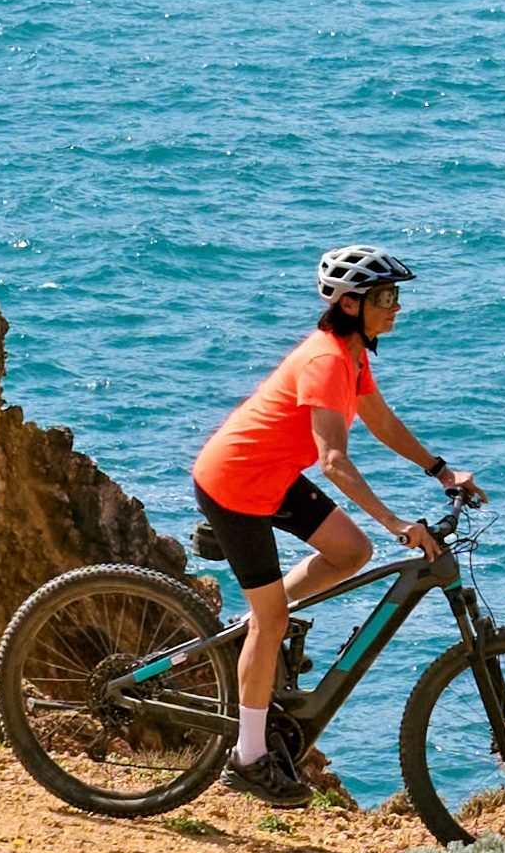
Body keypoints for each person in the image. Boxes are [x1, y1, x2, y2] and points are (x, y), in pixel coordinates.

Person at [188, 243, 476, 802]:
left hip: (270, 477)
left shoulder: (353, 355)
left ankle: (260, 635)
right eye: (386, 297)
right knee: (270, 619)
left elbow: (379, 419)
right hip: (235, 485)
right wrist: (398, 523)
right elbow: (335, 461)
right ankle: (247, 757)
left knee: (350, 552)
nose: (396, 307)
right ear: (350, 304)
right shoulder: (325, 361)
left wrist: (440, 470)